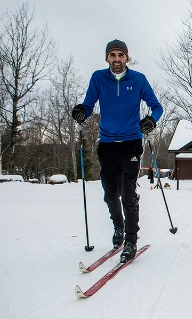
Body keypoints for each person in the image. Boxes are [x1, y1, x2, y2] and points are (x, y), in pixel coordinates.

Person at [71, 39, 163, 261]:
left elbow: (157, 106)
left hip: (131, 142)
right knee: (111, 193)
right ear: (107, 59)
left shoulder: (138, 79)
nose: (117, 59)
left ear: (127, 58)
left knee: (128, 191)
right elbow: (88, 105)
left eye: (120, 55)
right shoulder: (98, 78)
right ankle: (119, 227)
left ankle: (131, 240)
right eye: (112, 55)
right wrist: (82, 111)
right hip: (107, 144)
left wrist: (151, 120)